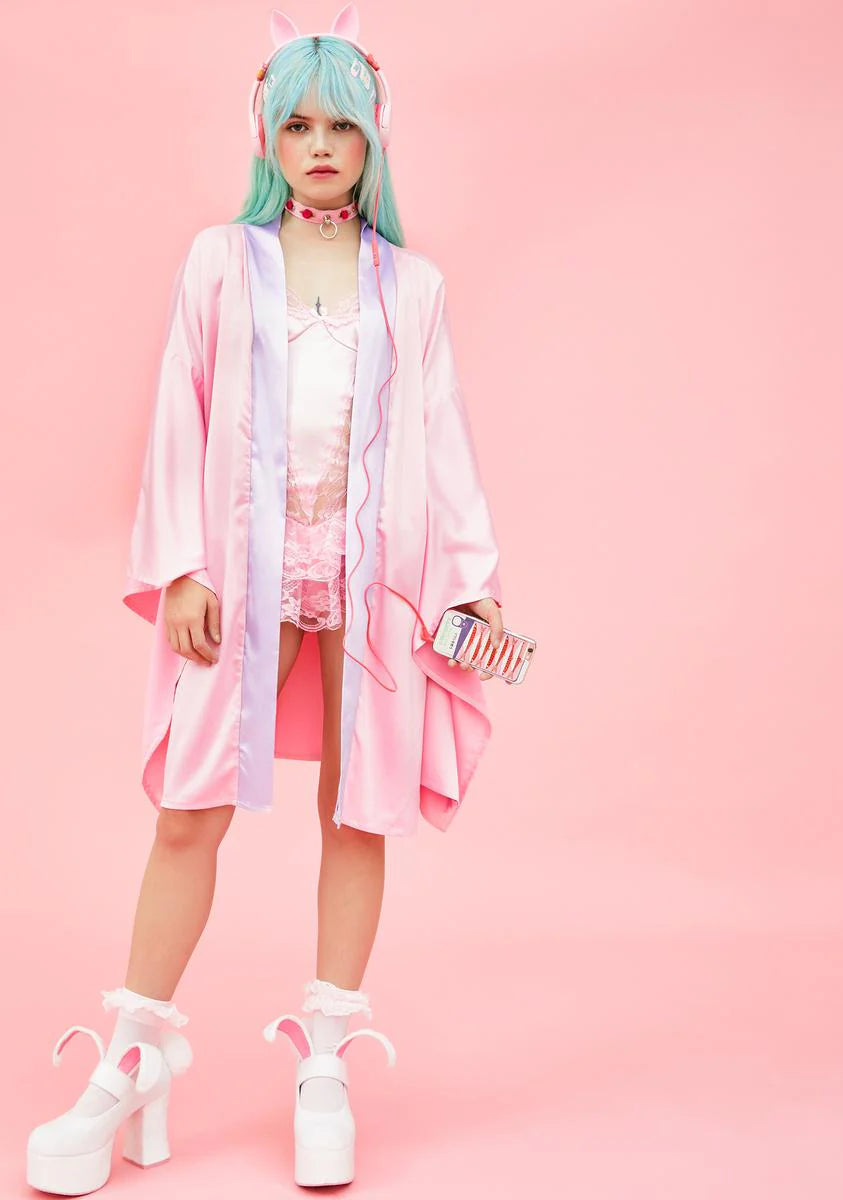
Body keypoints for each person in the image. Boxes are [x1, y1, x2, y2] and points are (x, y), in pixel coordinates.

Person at [26, 4, 505, 1192]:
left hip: (374, 581)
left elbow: (443, 440)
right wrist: (183, 566)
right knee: (189, 807)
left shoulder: (414, 287)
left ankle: (324, 1061)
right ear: (268, 137)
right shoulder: (220, 263)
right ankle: (133, 1056)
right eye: (298, 125)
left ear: (375, 135)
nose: (320, 145)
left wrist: (475, 588)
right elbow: (177, 412)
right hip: (243, 575)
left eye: (341, 124)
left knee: (358, 808)